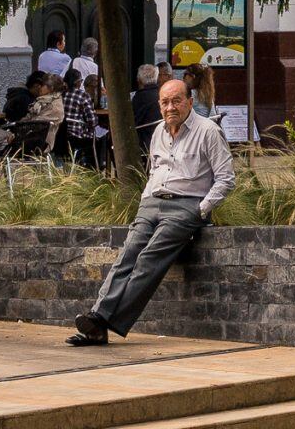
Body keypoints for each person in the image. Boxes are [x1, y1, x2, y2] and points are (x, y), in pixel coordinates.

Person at [69, 74, 232, 345]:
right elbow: (155, 171)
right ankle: (98, 318)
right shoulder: (159, 132)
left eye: (176, 101)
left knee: (148, 259)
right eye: (165, 102)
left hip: (186, 205)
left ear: (189, 102)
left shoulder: (208, 131)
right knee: (127, 255)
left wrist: (201, 209)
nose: (170, 107)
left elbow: (226, 178)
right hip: (152, 203)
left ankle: (103, 321)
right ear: (159, 105)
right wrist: (145, 200)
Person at [59, 62, 100, 166]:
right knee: (101, 139)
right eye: (81, 81)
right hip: (78, 136)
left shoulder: (60, 95)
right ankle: (98, 166)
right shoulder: (83, 95)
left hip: (61, 136)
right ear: (77, 83)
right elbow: (92, 121)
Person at [129, 63, 162, 154]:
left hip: (144, 142)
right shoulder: (162, 94)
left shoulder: (140, 97)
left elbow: (132, 121)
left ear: (138, 80)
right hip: (162, 141)